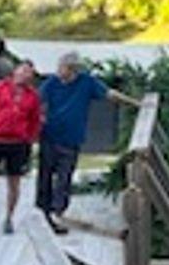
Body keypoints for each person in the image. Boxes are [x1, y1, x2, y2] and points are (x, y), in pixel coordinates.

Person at [36, 50, 139, 232]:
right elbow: (37, 101)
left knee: (64, 177)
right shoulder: (51, 83)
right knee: (45, 175)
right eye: (59, 67)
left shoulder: (86, 82)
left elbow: (110, 94)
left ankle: (57, 211)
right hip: (50, 136)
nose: (59, 71)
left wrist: (135, 104)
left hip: (72, 138)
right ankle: (43, 212)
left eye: (62, 67)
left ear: (72, 69)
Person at [0, 59, 42, 235]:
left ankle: (9, 217)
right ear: (15, 71)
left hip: (17, 142)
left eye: (29, 73)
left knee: (14, 181)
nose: (24, 75)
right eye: (22, 70)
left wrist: (30, 138)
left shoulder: (32, 96)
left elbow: (34, 119)